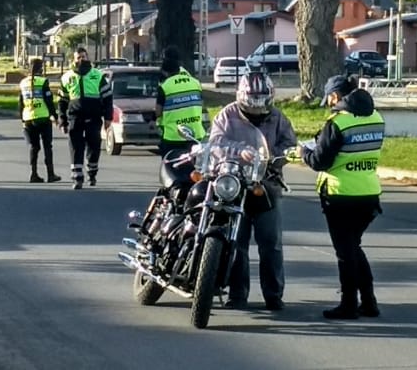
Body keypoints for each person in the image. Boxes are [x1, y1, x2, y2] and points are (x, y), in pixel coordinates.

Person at [208, 72, 295, 311]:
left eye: (262, 102)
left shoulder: (278, 117)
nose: (257, 108)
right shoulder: (228, 114)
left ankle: (274, 295)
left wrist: (275, 157)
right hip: (234, 185)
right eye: (252, 102)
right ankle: (237, 295)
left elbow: (290, 144)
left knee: (271, 244)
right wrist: (240, 151)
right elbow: (215, 143)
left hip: (267, 185)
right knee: (236, 242)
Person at [299, 74, 384, 320]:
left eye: (329, 99)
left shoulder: (338, 123)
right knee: (353, 248)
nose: (329, 104)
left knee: (345, 253)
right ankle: (369, 302)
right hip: (369, 193)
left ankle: (349, 304)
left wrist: (303, 152)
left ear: (335, 96)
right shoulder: (376, 118)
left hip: (340, 195)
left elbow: (319, 161)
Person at [58, 47, 112, 189]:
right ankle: (77, 177)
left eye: (83, 56)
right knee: (76, 146)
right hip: (75, 117)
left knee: (94, 145)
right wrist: (62, 119)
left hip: (93, 116)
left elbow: (107, 98)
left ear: (88, 58)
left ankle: (92, 172)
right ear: (74, 60)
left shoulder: (97, 75)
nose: (81, 59)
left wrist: (108, 117)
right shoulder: (66, 77)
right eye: (78, 57)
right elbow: (62, 101)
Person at [153, 46, 207, 155]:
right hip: (195, 133)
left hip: (173, 136)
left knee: (170, 167)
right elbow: (201, 104)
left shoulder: (165, 85)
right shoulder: (194, 81)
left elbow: (158, 112)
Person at [18, 58, 62, 183]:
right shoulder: (43, 81)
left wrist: (22, 119)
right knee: (47, 147)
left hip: (28, 119)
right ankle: (50, 174)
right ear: (41, 69)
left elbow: (20, 103)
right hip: (43, 118)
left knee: (34, 147)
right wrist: (55, 116)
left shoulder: (23, 83)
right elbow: (48, 101)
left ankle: (33, 174)